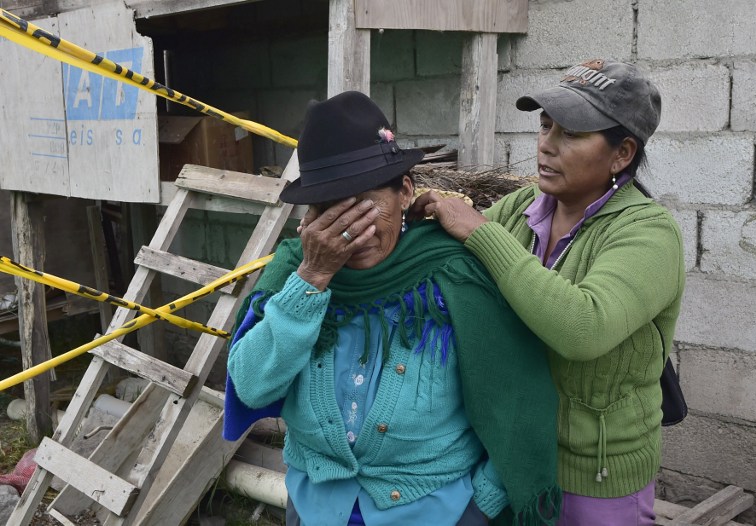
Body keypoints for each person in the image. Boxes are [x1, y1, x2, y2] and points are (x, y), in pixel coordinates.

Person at [223, 91, 562, 525]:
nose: (352, 231)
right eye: (329, 209)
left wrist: (482, 504)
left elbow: (517, 399)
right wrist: (312, 280)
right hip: (316, 510)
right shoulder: (295, 272)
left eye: (365, 205)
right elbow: (251, 386)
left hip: (436, 512)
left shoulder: (451, 276)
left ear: (404, 192)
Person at [410, 59, 686, 526]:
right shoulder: (521, 209)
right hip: (510, 456)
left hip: (592, 477)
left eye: (572, 134)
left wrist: (479, 232)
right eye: (544, 125)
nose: (546, 145)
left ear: (622, 154)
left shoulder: (648, 233)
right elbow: (446, 267)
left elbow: (582, 327)